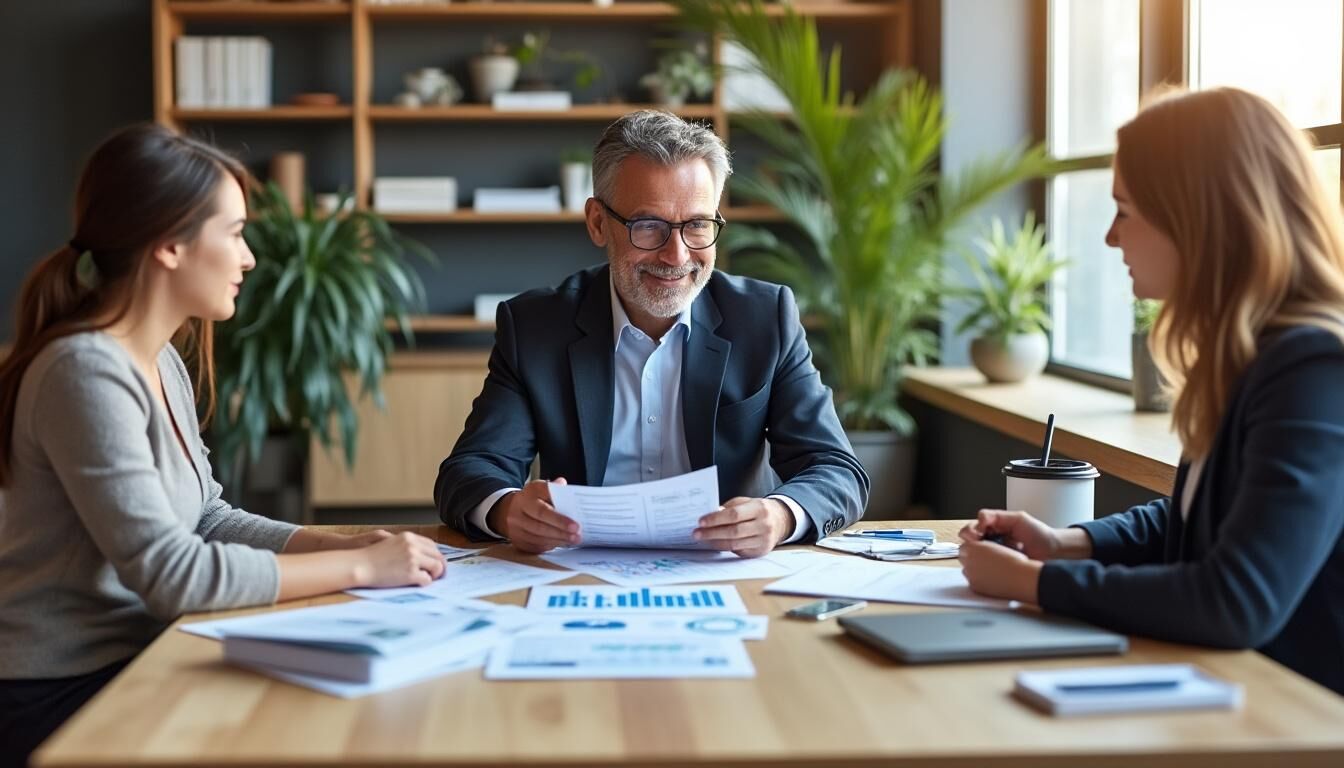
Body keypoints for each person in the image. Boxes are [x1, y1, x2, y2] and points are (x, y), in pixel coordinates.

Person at [0, 124, 447, 764]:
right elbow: (171, 574)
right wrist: (362, 569)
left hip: (142, 657)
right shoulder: (85, 372)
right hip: (62, 691)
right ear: (170, 245)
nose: (250, 258)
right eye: (234, 234)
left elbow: (208, 517)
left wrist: (344, 542)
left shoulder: (161, 361)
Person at [957, 87, 1344, 695]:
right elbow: (1195, 520)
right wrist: (1064, 545)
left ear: (1198, 219)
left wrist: (1030, 585)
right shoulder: (1250, 354)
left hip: (1301, 717)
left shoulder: (1315, 369)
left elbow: (1237, 599)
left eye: (1125, 209)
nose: (1112, 238)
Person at [435, 110, 868, 556]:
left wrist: (779, 516)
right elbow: (469, 471)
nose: (677, 254)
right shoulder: (535, 327)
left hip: (726, 571)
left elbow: (836, 469)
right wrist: (509, 510)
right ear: (598, 223)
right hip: (579, 572)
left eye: (697, 225)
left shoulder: (764, 318)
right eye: (649, 226)